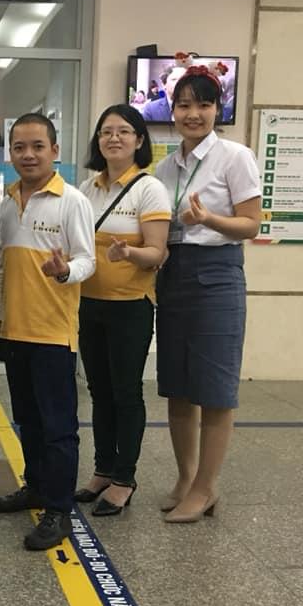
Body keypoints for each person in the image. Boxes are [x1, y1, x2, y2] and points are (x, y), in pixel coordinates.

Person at [153, 66, 261, 523]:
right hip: (174, 272)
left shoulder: (235, 156)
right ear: (172, 111)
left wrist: (209, 220)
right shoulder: (165, 166)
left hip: (217, 274)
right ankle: (185, 478)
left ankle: (206, 487)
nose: (193, 114)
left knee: (214, 388)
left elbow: (251, 225)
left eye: (203, 104)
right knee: (178, 385)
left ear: (218, 109)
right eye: (184, 105)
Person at [0, 114, 96, 551]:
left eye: (37, 146)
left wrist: (65, 270)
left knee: (58, 427)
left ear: (55, 150)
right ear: (10, 153)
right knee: (28, 420)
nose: (28, 155)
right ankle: (34, 486)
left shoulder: (72, 201)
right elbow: (1, 266)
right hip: (15, 332)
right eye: (19, 147)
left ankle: (58, 507)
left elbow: (89, 260)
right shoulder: (8, 201)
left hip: (53, 333)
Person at [74, 106, 171, 516]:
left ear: (138, 140)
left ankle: (124, 479)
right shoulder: (87, 187)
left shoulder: (150, 189)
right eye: (106, 132)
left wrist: (128, 252)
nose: (114, 138)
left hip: (130, 306)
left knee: (126, 392)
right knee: (98, 390)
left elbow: (158, 253)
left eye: (124, 131)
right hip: (88, 303)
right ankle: (103, 469)